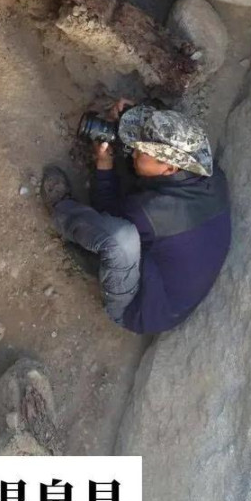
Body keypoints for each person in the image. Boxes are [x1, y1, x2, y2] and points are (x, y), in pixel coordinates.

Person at [41, 100, 231, 335]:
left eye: (140, 152)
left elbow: (104, 210)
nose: (133, 152)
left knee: (119, 238)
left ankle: (61, 209)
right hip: (168, 278)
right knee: (137, 213)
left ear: (170, 168)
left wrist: (104, 165)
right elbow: (167, 133)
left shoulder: (149, 212)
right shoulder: (212, 176)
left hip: (142, 310)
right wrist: (129, 115)